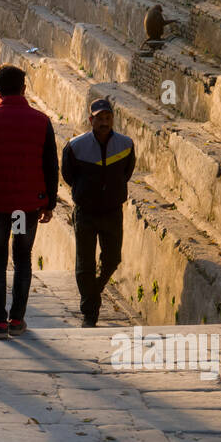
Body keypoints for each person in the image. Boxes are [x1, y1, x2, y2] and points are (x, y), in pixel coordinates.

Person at [0, 64, 58, 339]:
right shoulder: (41, 121)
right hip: (26, 206)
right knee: (22, 258)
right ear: (24, 88)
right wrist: (49, 202)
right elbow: (50, 165)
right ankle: (17, 319)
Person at [62, 97, 135, 327]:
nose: (104, 122)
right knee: (85, 263)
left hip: (113, 211)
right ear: (90, 119)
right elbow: (68, 175)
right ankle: (90, 313)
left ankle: (94, 291)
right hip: (86, 211)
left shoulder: (125, 144)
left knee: (113, 258)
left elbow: (127, 172)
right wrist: (85, 192)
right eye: (99, 118)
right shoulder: (75, 146)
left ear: (113, 119)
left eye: (108, 118)